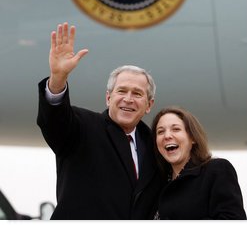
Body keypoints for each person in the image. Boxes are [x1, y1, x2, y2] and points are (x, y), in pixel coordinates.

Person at [37, 22, 163, 220]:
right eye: (121, 91)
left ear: (149, 105)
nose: (128, 99)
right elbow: (54, 121)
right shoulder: (82, 127)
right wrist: (58, 78)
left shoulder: (154, 144)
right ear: (108, 97)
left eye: (137, 93)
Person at [151, 106, 247, 220]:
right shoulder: (156, 182)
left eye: (176, 129)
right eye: (160, 132)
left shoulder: (217, 170)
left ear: (193, 138)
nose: (167, 136)